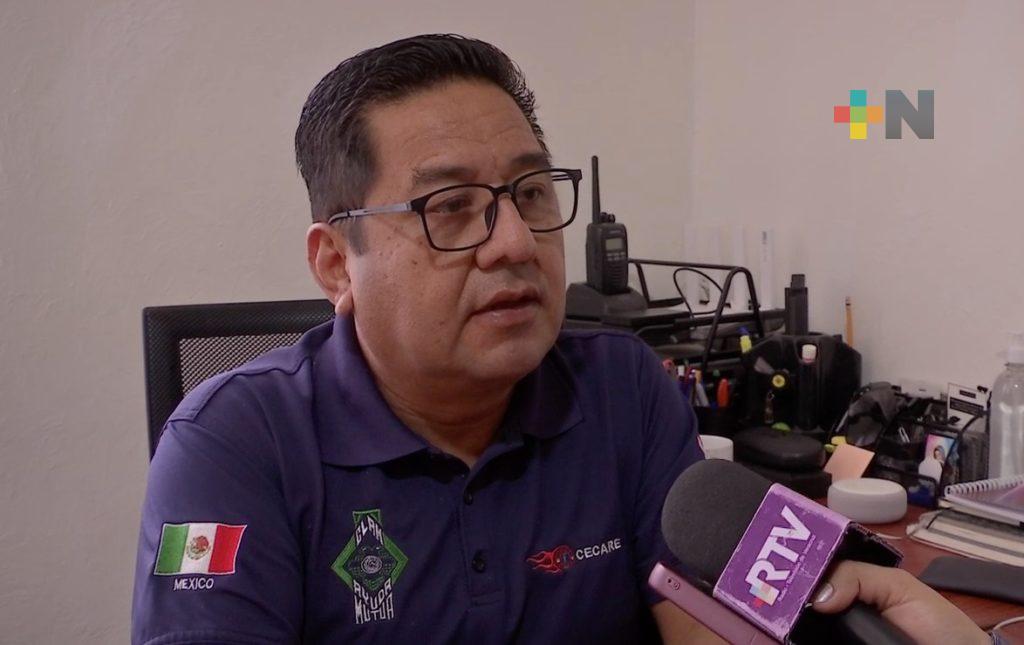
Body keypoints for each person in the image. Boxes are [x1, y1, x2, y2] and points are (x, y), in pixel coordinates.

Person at [132, 34, 991, 644]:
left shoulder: (624, 388)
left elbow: (715, 625)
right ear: (335, 263)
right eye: (450, 207)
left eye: (533, 192)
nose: (514, 242)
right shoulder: (229, 444)